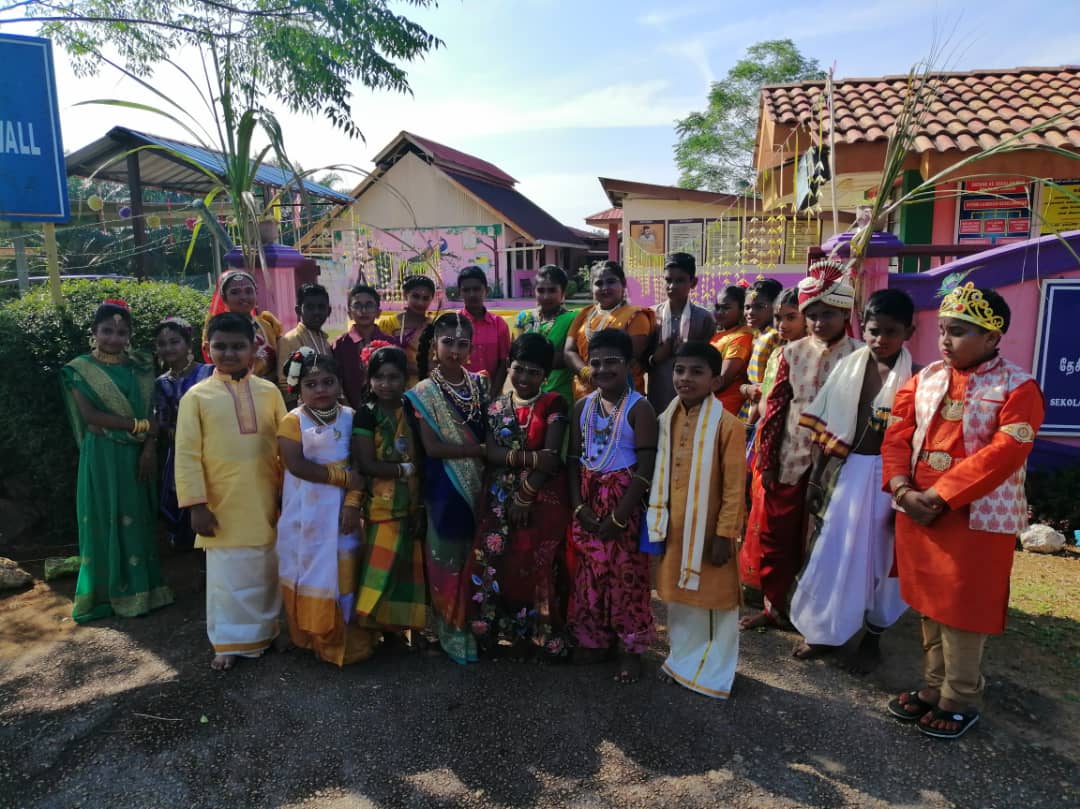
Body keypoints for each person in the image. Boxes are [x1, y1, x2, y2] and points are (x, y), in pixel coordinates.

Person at [883, 285, 1044, 740]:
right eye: (943, 331)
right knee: (929, 603)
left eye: (959, 332)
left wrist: (940, 496)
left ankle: (962, 696)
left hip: (976, 517)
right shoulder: (925, 378)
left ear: (993, 337)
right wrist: (901, 487)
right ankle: (935, 687)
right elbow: (896, 434)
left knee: (964, 609)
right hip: (917, 508)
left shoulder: (1018, 386)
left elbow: (1007, 451)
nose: (945, 341)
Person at [789, 289, 915, 668]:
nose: (881, 340)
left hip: (891, 481)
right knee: (834, 555)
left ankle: (872, 638)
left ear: (910, 330)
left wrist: (904, 498)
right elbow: (826, 432)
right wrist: (815, 480)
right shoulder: (848, 367)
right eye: (874, 330)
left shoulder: (919, 379)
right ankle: (826, 633)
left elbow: (918, 445)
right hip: (847, 474)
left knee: (883, 562)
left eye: (891, 332)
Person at [741, 260, 861, 630]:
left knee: (825, 542)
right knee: (779, 536)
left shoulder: (860, 356)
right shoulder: (790, 353)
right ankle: (774, 606)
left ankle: (817, 616)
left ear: (844, 315)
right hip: (790, 455)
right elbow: (775, 407)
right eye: (813, 314)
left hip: (838, 463)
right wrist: (768, 458)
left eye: (829, 314)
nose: (820, 322)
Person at [175, 312, 287, 670]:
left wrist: (290, 493)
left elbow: (286, 445)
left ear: (254, 348)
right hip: (220, 503)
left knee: (265, 569)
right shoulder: (196, 397)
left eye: (237, 346)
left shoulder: (269, 392)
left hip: (265, 497)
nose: (229, 353)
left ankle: (266, 633)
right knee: (227, 578)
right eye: (220, 346)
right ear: (207, 350)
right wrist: (195, 504)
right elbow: (187, 453)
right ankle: (227, 641)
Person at [60, 300, 173, 623]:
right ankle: (109, 593)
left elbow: (153, 411)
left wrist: (150, 446)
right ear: (94, 332)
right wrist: (140, 427)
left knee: (137, 515)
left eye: (122, 332)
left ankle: (145, 589)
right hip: (104, 455)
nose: (114, 338)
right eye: (107, 331)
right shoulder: (78, 369)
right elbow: (91, 417)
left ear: (130, 335)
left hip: (139, 453)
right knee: (106, 517)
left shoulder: (140, 365)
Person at [647, 342, 745, 698]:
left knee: (712, 602)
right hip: (675, 528)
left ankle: (711, 670)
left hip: (708, 532)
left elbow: (734, 488)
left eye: (696, 372)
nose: (685, 378)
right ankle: (681, 659)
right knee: (678, 599)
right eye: (679, 370)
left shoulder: (730, 426)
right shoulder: (665, 418)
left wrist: (724, 534)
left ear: (716, 381)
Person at [471, 333, 570, 660]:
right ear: (509, 367)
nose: (524, 378)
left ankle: (540, 636)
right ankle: (493, 632)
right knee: (495, 562)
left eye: (533, 372)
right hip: (498, 498)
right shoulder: (496, 406)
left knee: (535, 565)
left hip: (541, 499)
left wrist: (526, 494)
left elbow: (552, 456)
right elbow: (490, 453)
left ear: (545, 375)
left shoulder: (554, 403)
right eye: (519, 369)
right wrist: (528, 458)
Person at [568, 328, 657, 683]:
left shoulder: (640, 408)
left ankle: (630, 649)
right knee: (590, 576)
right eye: (596, 363)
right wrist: (578, 507)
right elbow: (575, 459)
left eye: (612, 363)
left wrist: (620, 516)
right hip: (589, 501)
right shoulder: (582, 407)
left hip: (624, 505)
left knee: (626, 578)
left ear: (630, 365)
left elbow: (646, 468)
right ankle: (595, 640)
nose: (603, 370)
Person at [276, 348, 372, 666]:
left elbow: (361, 465)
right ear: (299, 388)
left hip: (344, 512)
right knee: (308, 569)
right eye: (312, 384)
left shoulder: (350, 417)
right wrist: (343, 478)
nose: (321, 390)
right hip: (306, 513)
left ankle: (347, 637)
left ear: (339, 383)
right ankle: (313, 636)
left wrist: (354, 503)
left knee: (345, 568)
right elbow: (297, 465)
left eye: (328, 382)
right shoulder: (293, 421)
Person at [405, 313, 488, 663]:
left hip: (481, 484)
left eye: (462, 343)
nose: (455, 350)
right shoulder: (423, 393)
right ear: (435, 346)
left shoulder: (480, 385)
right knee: (446, 559)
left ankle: (475, 626)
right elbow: (433, 448)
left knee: (476, 557)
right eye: (448, 343)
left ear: (471, 347)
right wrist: (477, 451)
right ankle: (450, 630)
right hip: (443, 486)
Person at [349, 345, 428, 646]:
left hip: (411, 502)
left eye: (394, 377)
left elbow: (423, 452)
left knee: (407, 570)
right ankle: (375, 627)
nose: (386, 384)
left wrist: (419, 502)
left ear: (405, 379)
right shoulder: (365, 415)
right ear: (370, 380)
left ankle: (404, 629)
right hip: (381, 506)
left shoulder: (412, 409)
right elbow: (367, 464)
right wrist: (405, 469)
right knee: (380, 572)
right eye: (379, 377)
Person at [739, 288, 806, 593]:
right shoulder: (778, 350)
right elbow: (765, 395)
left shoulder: (808, 355)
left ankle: (776, 589)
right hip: (766, 438)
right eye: (779, 317)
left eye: (791, 317)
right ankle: (758, 583)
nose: (782, 324)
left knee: (780, 521)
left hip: (792, 445)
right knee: (758, 511)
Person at [153, 316, 213, 551]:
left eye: (174, 342)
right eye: (162, 343)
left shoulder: (209, 373)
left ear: (188, 344)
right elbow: (163, 422)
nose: (168, 348)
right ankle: (197, 567)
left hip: (213, 447)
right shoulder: (161, 383)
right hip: (180, 451)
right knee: (182, 505)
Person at [565, 261, 655, 400]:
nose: (605, 288)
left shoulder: (636, 316)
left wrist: (599, 377)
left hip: (623, 396)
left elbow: (630, 358)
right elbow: (569, 351)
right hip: (583, 394)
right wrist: (587, 373)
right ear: (591, 288)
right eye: (599, 283)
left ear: (623, 284)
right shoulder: (585, 313)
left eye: (611, 281)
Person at [647, 252, 714, 413]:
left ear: (693, 282)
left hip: (692, 395)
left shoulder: (704, 318)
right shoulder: (650, 315)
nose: (672, 286)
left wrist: (688, 351)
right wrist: (657, 357)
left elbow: (707, 360)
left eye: (680, 280)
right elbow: (641, 362)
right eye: (668, 280)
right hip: (658, 393)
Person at [513, 264, 578, 404]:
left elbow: (568, 358)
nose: (546, 296)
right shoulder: (524, 318)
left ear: (563, 292)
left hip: (560, 393)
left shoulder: (573, 319)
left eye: (552, 290)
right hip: (526, 391)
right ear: (534, 291)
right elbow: (517, 355)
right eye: (541, 290)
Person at [203, 269, 282, 382]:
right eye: (235, 292)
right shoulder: (217, 330)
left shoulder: (267, 325)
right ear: (224, 298)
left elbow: (279, 362)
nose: (243, 297)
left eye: (249, 291)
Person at [332, 283, 396, 409]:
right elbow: (336, 380)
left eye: (369, 305)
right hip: (350, 408)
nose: (364, 311)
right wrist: (347, 408)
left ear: (378, 312)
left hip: (386, 409)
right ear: (349, 313)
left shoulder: (390, 343)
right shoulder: (340, 344)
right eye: (357, 305)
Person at [277, 283, 332, 408]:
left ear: (329, 311)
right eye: (310, 307)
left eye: (321, 307)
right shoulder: (289, 340)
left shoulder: (325, 341)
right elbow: (285, 384)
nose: (316, 312)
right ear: (298, 310)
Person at [738, 278, 784, 427]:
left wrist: (750, 425)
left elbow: (769, 384)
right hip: (751, 403)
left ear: (776, 307)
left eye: (759, 306)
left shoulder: (775, 336)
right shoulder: (757, 334)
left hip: (763, 408)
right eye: (747, 307)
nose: (750, 312)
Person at [458, 265, 511, 394]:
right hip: (459, 394)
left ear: (486, 290)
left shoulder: (499, 324)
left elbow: (503, 363)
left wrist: (491, 395)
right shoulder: (454, 323)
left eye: (476, 289)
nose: (472, 294)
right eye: (466, 290)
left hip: (492, 394)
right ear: (460, 292)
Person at [376, 275, 436, 387]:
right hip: (392, 387)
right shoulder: (388, 325)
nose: (420, 302)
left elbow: (437, 364)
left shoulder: (434, 327)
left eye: (425, 298)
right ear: (405, 295)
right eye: (415, 296)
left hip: (425, 389)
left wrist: (404, 366)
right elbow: (382, 359)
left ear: (432, 299)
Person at [710, 285, 755, 415]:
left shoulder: (741, 337)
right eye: (717, 307)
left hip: (725, 406)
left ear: (742, 309)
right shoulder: (721, 333)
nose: (719, 312)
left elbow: (723, 380)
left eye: (726, 308)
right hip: (712, 401)